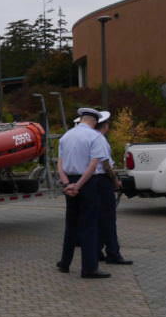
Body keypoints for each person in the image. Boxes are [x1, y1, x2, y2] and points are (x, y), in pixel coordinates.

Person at [56, 107, 111, 278]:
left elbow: (59, 164)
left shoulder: (66, 136)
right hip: (87, 183)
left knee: (71, 225)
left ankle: (65, 263)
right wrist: (79, 185)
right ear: (94, 121)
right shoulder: (95, 136)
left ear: (81, 119)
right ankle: (89, 268)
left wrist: (68, 184)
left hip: (69, 182)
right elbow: (93, 166)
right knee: (89, 226)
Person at [94, 112, 133, 265]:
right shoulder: (100, 140)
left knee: (97, 219)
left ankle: (97, 251)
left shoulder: (88, 138)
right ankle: (113, 253)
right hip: (102, 181)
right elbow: (106, 164)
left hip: (91, 181)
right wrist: (115, 181)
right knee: (108, 220)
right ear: (106, 126)